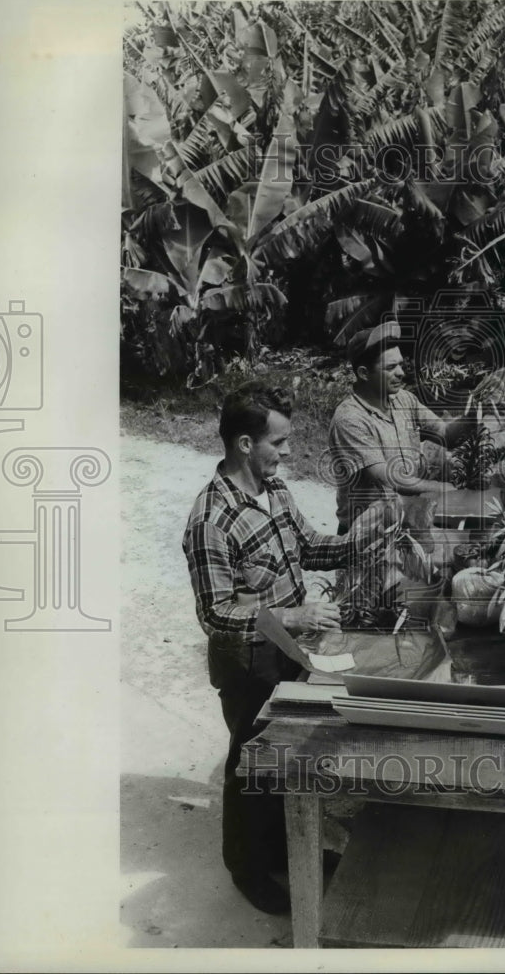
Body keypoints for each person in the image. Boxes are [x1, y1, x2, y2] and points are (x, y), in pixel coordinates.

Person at [183, 379, 389, 914]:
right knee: (250, 763)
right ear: (245, 444)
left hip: (291, 656)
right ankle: (247, 868)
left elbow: (314, 548)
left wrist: (364, 532)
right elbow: (216, 615)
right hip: (248, 663)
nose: (290, 451)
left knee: (288, 756)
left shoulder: (275, 492)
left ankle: (284, 848)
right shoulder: (211, 520)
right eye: (280, 441)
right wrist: (295, 615)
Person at [327, 320, 505, 531]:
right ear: (364, 373)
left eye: (400, 364)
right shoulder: (350, 419)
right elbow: (390, 478)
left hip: (407, 515)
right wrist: (442, 487)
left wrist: (475, 412)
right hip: (367, 527)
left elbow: (446, 434)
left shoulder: (404, 399)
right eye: (391, 367)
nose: (401, 372)